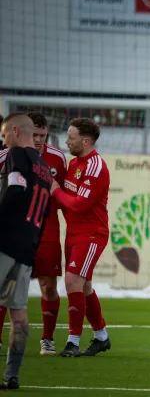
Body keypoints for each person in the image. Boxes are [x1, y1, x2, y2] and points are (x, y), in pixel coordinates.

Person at [0, 112, 67, 355]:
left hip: (36, 231)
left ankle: (47, 339)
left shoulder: (55, 159)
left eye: (43, 135)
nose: (38, 140)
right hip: (21, 233)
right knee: (11, 297)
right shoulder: (16, 158)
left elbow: (18, 190)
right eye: (35, 135)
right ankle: (11, 368)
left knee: (47, 285)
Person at [50, 118, 111, 357]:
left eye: (71, 138)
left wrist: (55, 190)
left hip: (92, 234)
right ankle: (101, 337)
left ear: (85, 141)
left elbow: (79, 205)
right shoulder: (73, 163)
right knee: (84, 286)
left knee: (72, 282)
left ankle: (73, 341)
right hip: (74, 232)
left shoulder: (95, 166)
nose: (67, 142)